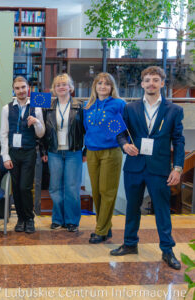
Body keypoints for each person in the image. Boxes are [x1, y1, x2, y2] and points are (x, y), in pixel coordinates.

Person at [110, 66, 184, 270]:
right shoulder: (129, 108)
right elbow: (119, 131)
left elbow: (178, 140)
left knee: (162, 210)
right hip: (134, 166)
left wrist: (177, 168)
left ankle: (167, 250)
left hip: (160, 168)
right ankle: (130, 243)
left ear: (162, 83)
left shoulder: (174, 110)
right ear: (142, 84)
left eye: (155, 80)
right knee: (132, 207)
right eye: (148, 80)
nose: (151, 83)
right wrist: (124, 144)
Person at [84, 72, 125, 244]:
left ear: (111, 87)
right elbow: (86, 128)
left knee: (107, 191)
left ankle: (100, 230)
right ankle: (105, 227)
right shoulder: (88, 105)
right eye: (99, 83)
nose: (103, 86)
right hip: (93, 152)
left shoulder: (119, 104)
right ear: (95, 86)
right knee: (96, 191)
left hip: (111, 151)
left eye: (107, 84)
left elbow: (126, 128)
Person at [0, 76, 45, 234]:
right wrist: (5, 156)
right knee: (16, 188)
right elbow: (3, 134)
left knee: (25, 187)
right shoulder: (7, 108)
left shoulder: (36, 107)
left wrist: (37, 123)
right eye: (17, 88)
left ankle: (29, 218)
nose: (20, 91)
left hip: (29, 152)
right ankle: (20, 218)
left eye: (23, 87)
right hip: (13, 153)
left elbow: (41, 134)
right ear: (14, 89)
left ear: (28, 89)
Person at [40, 74, 84, 232]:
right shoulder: (48, 106)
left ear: (71, 87)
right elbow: (43, 131)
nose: (61, 87)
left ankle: (72, 220)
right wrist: (43, 150)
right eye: (58, 85)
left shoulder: (80, 106)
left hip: (74, 152)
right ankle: (58, 219)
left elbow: (86, 130)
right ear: (54, 88)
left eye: (64, 84)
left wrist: (84, 151)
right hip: (54, 152)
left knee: (72, 187)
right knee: (55, 187)